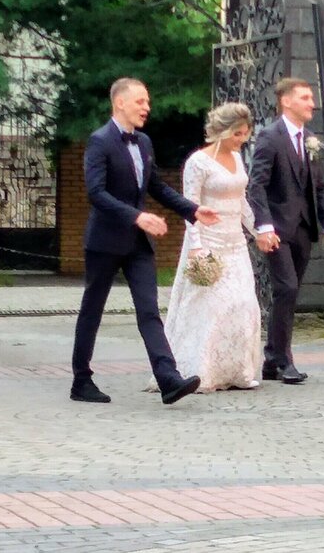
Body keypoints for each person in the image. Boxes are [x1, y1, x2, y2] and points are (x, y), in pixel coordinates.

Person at [69, 77, 218, 406]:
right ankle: (81, 380)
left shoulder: (145, 143)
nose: (146, 107)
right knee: (92, 310)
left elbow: (157, 187)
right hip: (105, 240)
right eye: (140, 101)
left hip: (138, 245)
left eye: (147, 102)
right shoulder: (100, 141)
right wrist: (137, 216)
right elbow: (96, 193)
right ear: (120, 103)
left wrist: (192, 210)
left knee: (149, 310)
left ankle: (168, 378)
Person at [160, 102, 264, 392]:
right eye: (237, 134)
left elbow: (241, 200)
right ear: (222, 131)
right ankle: (202, 370)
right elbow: (190, 207)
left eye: (245, 134)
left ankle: (238, 370)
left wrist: (258, 231)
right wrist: (196, 246)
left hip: (235, 242)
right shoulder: (198, 162)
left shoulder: (238, 158)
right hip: (208, 240)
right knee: (212, 307)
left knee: (244, 303)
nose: (242, 139)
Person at [246, 77, 324, 385]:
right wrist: (264, 225)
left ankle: (272, 359)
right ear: (286, 101)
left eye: (311, 97)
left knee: (290, 291)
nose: (312, 103)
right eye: (305, 98)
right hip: (276, 228)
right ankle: (284, 360)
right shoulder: (269, 137)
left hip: (303, 228)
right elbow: (257, 184)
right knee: (286, 288)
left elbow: (319, 187)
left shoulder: (311, 139)